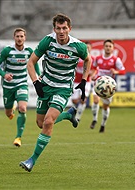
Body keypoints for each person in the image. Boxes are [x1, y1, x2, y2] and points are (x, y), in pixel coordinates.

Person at [19, 13, 92, 172]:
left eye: (64, 28)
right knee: (40, 123)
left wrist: (84, 80)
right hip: (45, 85)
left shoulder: (78, 46)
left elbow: (88, 59)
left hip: (63, 88)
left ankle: (32, 160)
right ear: (54, 29)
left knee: (48, 122)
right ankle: (67, 115)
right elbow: (31, 63)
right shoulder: (48, 41)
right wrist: (36, 82)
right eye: (58, 28)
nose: (61, 31)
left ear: (69, 29)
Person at [0, 28, 40, 147]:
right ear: (14, 38)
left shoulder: (29, 51)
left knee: (23, 108)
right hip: (8, 86)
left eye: (21, 36)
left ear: (25, 38)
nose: (19, 39)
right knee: (8, 114)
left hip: (22, 83)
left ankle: (18, 137)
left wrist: (38, 76)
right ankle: (11, 109)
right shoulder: (7, 51)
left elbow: (34, 63)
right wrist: (4, 75)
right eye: (17, 36)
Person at [89, 39, 125, 133]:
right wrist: (93, 75)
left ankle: (103, 124)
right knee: (95, 100)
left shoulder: (116, 60)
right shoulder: (98, 58)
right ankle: (94, 119)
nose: (108, 48)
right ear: (103, 47)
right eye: (106, 46)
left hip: (109, 88)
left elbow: (123, 71)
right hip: (98, 84)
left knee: (105, 106)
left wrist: (116, 71)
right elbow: (93, 68)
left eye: (110, 46)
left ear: (113, 48)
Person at [71, 41, 96, 122]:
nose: (87, 49)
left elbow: (95, 69)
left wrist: (92, 74)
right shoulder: (78, 58)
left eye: (89, 47)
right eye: (86, 47)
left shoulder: (92, 59)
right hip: (76, 81)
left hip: (86, 82)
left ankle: (78, 117)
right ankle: (74, 112)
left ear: (91, 49)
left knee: (83, 99)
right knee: (74, 100)